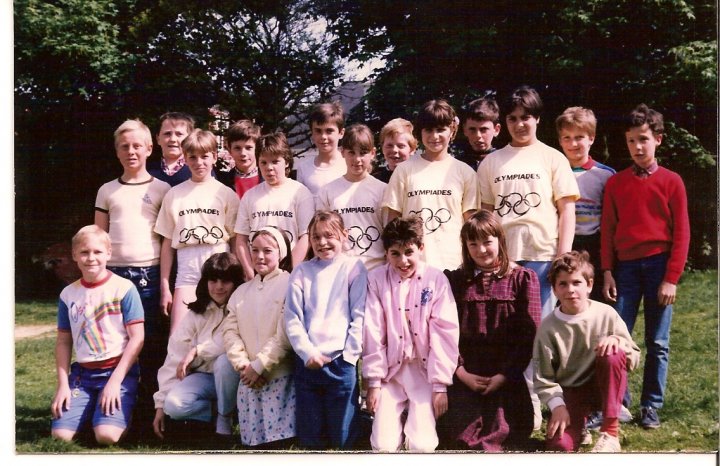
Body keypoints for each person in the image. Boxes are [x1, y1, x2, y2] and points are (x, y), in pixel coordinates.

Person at [477, 86, 580, 430]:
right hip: (504, 262)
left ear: (537, 119)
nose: (520, 124)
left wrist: (562, 255)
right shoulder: (492, 162)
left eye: (526, 117)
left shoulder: (552, 158)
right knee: (508, 336)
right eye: (513, 118)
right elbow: (486, 216)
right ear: (504, 122)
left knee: (541, 335)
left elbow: (566, 210)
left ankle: (554, 401)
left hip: (542, 258)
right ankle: (522, 406)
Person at [600, 104, 690, 429]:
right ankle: (618, 403)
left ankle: (650, 405)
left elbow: (682, 232)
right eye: (631, 141)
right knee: (618, 336)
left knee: (658, 342)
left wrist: (671, 278)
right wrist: (607, 271)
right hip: (625, 268)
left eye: (643, 139)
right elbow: (608, 230)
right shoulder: (616, 183)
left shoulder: (672, 181)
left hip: (659, 267)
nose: (637, 147)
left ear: (658, 139)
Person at [94, 119, 171, 438]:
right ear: (117, 151)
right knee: (116, 342)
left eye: (137, 145)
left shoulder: (162, 189)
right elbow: (97, 238)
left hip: (148, 275)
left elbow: (167, 240)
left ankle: (147, 415)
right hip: (114, 276)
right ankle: (112, 409)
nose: (131, 151)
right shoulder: (107, 190)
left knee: (150, 344)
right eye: (124, 146)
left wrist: (164, 283)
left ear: (150, 149)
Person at [439, 210, 540, 452]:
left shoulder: (522, 278)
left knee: (504, 432)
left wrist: (505, 375)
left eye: (487, 242)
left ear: (500, 240)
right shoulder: (455, 281)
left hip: (505, 373)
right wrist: (460, 371)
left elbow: (529, 335)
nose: (481, 250)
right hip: (466, 373)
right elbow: (444, 331)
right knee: (459, 435)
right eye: (473, 244)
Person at [363, 216, 459, 452]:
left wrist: (439, 385)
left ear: (421, 248)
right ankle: (396, 422)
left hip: (423, 370)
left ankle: (413, 423)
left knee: (422, 446)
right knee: (383, 446)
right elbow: (373, 331)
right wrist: (374, 382)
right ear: (386, 253)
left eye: (409, 252)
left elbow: (444, 333)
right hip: (390, 371)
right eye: (395, 254)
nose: (403, 261)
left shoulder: (436, 279)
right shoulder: (376, 279)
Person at [533, 251, 640, 452]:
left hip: (603, 385)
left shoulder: (606, 314)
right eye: (563, 284)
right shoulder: (547, 328)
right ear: (554, 289)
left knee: (612, 353)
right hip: (571, 392)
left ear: (589, 285)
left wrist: (617, 341)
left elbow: (633, 356)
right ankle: (579, 426)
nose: (570, 290)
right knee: (559, 447)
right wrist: (558, 406)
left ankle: (610, 432)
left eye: (576, 283)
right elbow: (543, 378)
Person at [51, 225, 145, 446]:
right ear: (74, 255)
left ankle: (119, 411)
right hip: (83, 376)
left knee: (106, 436)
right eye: (84, 252)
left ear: (109, 253)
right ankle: (91, 408)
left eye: (97, 252)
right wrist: (62, 385)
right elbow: (63, 341)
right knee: (60, 436)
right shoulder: (68, 294)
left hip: (117, 372)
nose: (91, 258)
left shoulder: (124, 288)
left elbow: (137, 338)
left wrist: (115, 382)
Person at [284, 210, 367, 449]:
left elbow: (359, 314)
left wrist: (349, 356)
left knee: (343, 437)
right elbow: (292, 318)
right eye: (316, 237)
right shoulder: (301, 272)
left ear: (344, 235)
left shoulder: (354, 267)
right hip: (309, 362)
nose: (322, 242)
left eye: (329, 235)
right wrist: (307, 352)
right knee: (312, 439)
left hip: (341, 362)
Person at [155, 129, 240, 334]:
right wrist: (165, 286)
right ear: (184, 158)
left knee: (221, 334)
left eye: (205, 156)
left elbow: (236, 240)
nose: (199, 162)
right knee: (179, 335)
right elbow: (167, 244)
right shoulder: (174, 195)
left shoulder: (226, 194)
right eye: (192, 157)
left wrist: (238, 277)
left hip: (220, 268)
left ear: (214, 157)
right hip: (187, 271)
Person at [152, 253, 243, 439]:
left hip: (236, 377)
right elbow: (175, 357)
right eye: (213, 280)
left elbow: (228, 342)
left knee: (224, 362)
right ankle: (217, 411)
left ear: (235, 283)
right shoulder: (195, 314)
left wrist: (197, 350)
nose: (219, 286)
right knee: (174, 405)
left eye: (225, 281)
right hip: (204, 377)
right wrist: (161, 404)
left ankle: (225, 418)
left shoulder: (242, 307)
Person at [382, 99, 478, 271]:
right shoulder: (404, 170)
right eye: (428, 130)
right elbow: (393, 222)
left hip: (454, 264)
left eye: (440, 129)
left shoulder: (465, 172)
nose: (434, 136)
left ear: (452, 130)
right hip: (413, 265)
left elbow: (471, 223)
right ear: (420, 132)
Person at [223, 227, 296, 448]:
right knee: (255, 449)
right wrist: (244, 365)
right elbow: (230, 332)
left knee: (280, 447)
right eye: (254, 250)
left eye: (267, 250)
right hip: (249, 379)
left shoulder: (290, 284)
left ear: (281, 253)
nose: (260, 256)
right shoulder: (241, 292)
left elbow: (284, 333)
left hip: (279, 376)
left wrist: (260, 365)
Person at [234, 131, 314, 281]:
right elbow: (241, 239)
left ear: (287, 162)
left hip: (291, 275)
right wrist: (250, 273)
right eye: (264, 162)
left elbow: (306, 237)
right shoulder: (250, 196)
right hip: (259, 276)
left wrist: (288, 271)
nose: (269, 167)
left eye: (275, 161)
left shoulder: (300, 193)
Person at [555, 106, 615, 303]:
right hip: (564, 244)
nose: (573, 144)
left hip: (595, 246)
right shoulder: (553, 172)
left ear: (591, 138)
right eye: (567, 138)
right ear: (560, 140)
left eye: (579, 137)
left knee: (595, 301)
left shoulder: (605, 175)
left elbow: (611, 219)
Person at [316, 123, 387, 271]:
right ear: (342, 152)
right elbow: (321, 235)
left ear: (373, 153)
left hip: (376, 270)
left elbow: (389, 234)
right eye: (351, 153)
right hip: (339, 272)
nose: (357, 159)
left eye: (363, 153)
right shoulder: (327, 191)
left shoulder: (383, 190)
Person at [295, 102, 346, 195]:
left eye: (329, 131)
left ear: (341, 133)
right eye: (318, 131)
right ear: (312, 133)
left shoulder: (349, 165)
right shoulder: (304, 168)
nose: (323, 136)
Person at [217, 119, 263, 199]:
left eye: (248, 148)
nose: (243, 153)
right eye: (237, 148)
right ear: (230, 150)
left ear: (257, 149)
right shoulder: (222, 183)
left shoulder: (267, 180)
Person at [148, 112, 196, 187]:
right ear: (158, 139)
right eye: (167, 134)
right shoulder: (146, 171)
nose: (173, 139)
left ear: (189, 139)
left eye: (179, 134)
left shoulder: (198, 170)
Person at [457, 97, 501, 170]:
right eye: (472, 129)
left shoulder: (505, 162)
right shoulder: (456, 165)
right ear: (465, 130)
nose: (478, 135)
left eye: (484, 130)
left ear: (496, 130)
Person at [371, 118, 417, 183]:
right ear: (382, 148)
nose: (394, 150)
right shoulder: (374, 182)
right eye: (389, 145)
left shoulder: (420, 178)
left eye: (401, 146)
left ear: (412, 149)